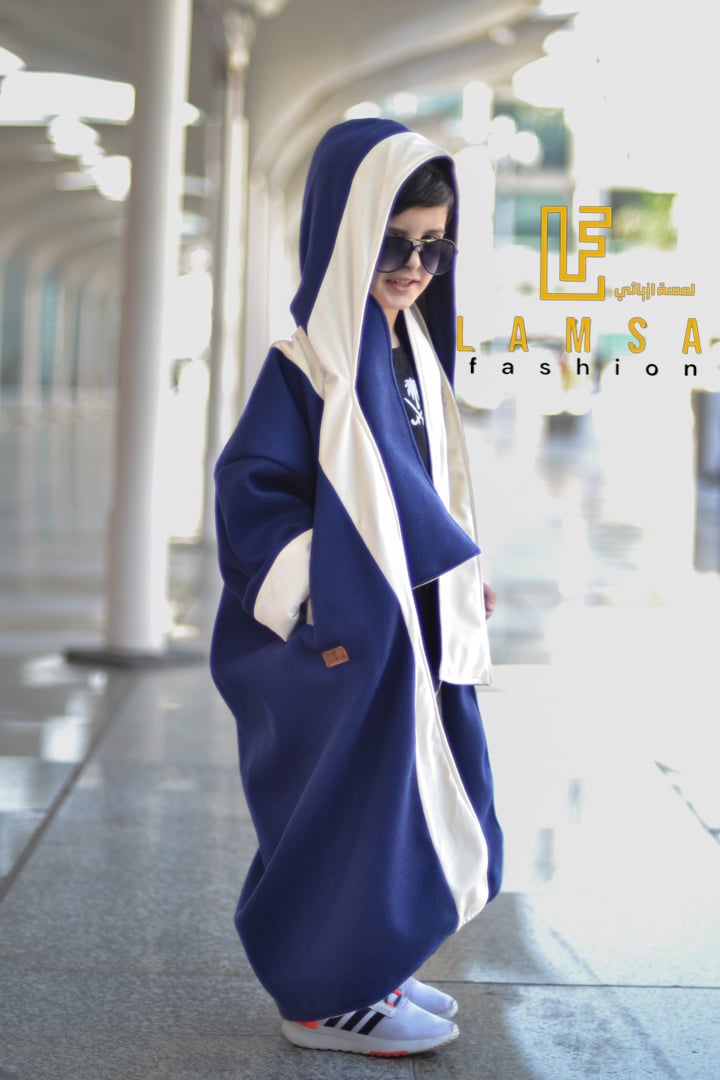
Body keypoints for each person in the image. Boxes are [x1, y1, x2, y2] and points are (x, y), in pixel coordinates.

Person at [210, 117, 503, 1057]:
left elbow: (424, 483)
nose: (414, 266)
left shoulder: (408, 346)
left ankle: (369, 964)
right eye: (392, 245)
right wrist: (330, 603)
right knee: (341, 807)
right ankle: (321, 994)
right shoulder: (310, 366)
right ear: (343, 237)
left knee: (400, 800)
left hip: (400, 627)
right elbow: (252, 494)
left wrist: (457, 576)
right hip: (343, 638)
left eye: (432, 246)